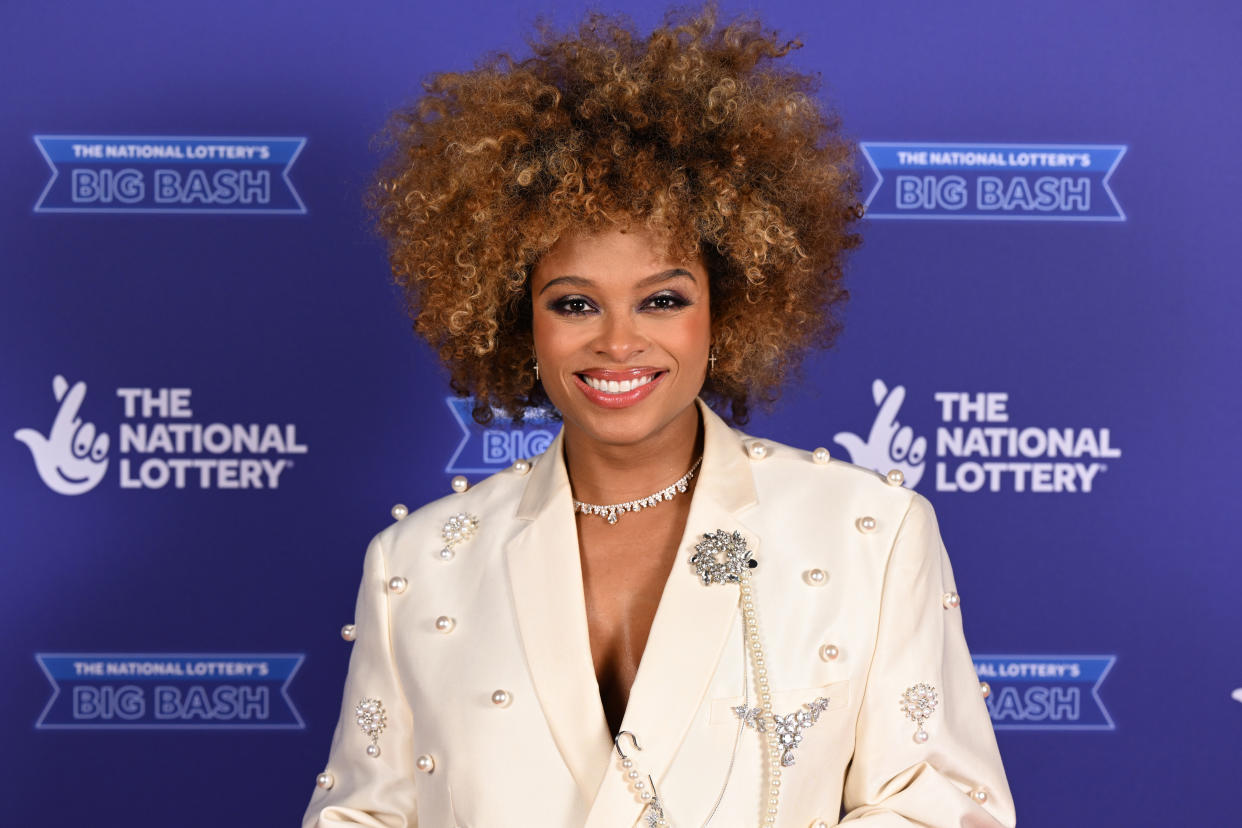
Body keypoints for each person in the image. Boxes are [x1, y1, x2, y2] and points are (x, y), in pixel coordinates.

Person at [303, 6, 1015, 826]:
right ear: (512, 316)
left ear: (732, 307)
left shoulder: (870, 533)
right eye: (574, 303)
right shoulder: (416, 564)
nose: (617, 342)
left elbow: (941, 809)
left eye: (662, 299)